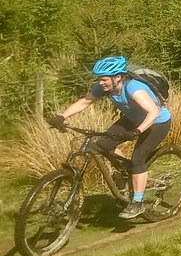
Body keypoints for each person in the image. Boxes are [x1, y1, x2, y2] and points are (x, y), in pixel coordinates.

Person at [48, 56, 172, 219]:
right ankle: (127, 172)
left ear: (118, 77)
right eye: (99, 79)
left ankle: (137, 203)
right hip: (132, 119)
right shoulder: (105, 87)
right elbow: (85, 102)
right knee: (102, 145)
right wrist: (62, 117)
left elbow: (154, 112)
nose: (100, 82)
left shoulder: (134, 88)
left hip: (157, 122)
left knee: (138, 159)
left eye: (104, 79)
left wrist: (137, 132)